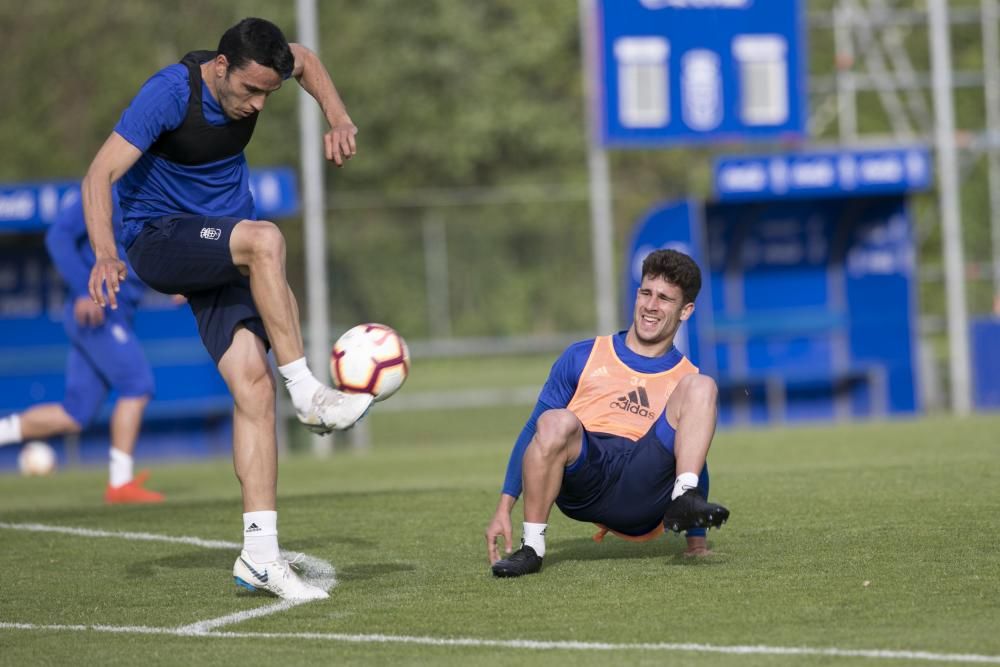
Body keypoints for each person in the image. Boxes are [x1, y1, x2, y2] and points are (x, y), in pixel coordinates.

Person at [83, 18, 372, 601]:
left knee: (251, 387)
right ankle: (309, 393)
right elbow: (99, 174)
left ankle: (260, 557)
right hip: (159, 237)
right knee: (266, 239)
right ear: (221, 68)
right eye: (250, 91)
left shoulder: (265, 71)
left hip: (223, 247)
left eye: (269, 93)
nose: (259, 103)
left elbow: (308, 59)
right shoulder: (169, 94)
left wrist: (338, 118)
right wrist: (106, 253)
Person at [485, 249, 730, 577]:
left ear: (686, 310)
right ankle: (532, 549)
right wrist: (504, 506)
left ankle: (683, 500)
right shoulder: (582, 355)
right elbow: (534, 431)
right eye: (646, 293)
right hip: (585, 475)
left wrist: (696, 540)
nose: (651, 306)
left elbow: (697, 459)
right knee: (554, 420)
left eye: (664, 299)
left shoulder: (686, 378)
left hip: (642, 487)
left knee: (702, 386)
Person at [0, 188, 163, 504]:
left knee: (75, 414)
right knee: (137, 385)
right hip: (99, 311)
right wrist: (83, 290)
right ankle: (120, 483)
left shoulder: (154, 191)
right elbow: (58, 237)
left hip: (116, 314)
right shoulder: (107, 189)